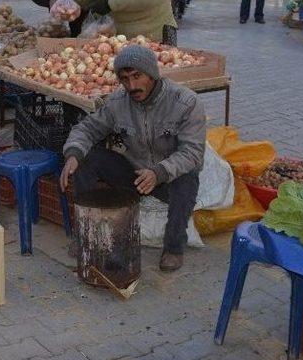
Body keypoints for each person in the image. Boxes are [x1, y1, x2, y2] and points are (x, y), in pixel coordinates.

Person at [60, 45, 206, 272]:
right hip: (135, 174)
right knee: (87, 160)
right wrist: (73, 154)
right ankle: (86, 235)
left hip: (168, 176)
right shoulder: (118, 102)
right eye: (125, 79)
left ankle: (174, 247)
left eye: (137, 76)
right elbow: (87, 129)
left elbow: (193, 152)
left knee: (188, 178)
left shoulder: (185, 102)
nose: (132, 86)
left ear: (152, 74)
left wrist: (159, 172)